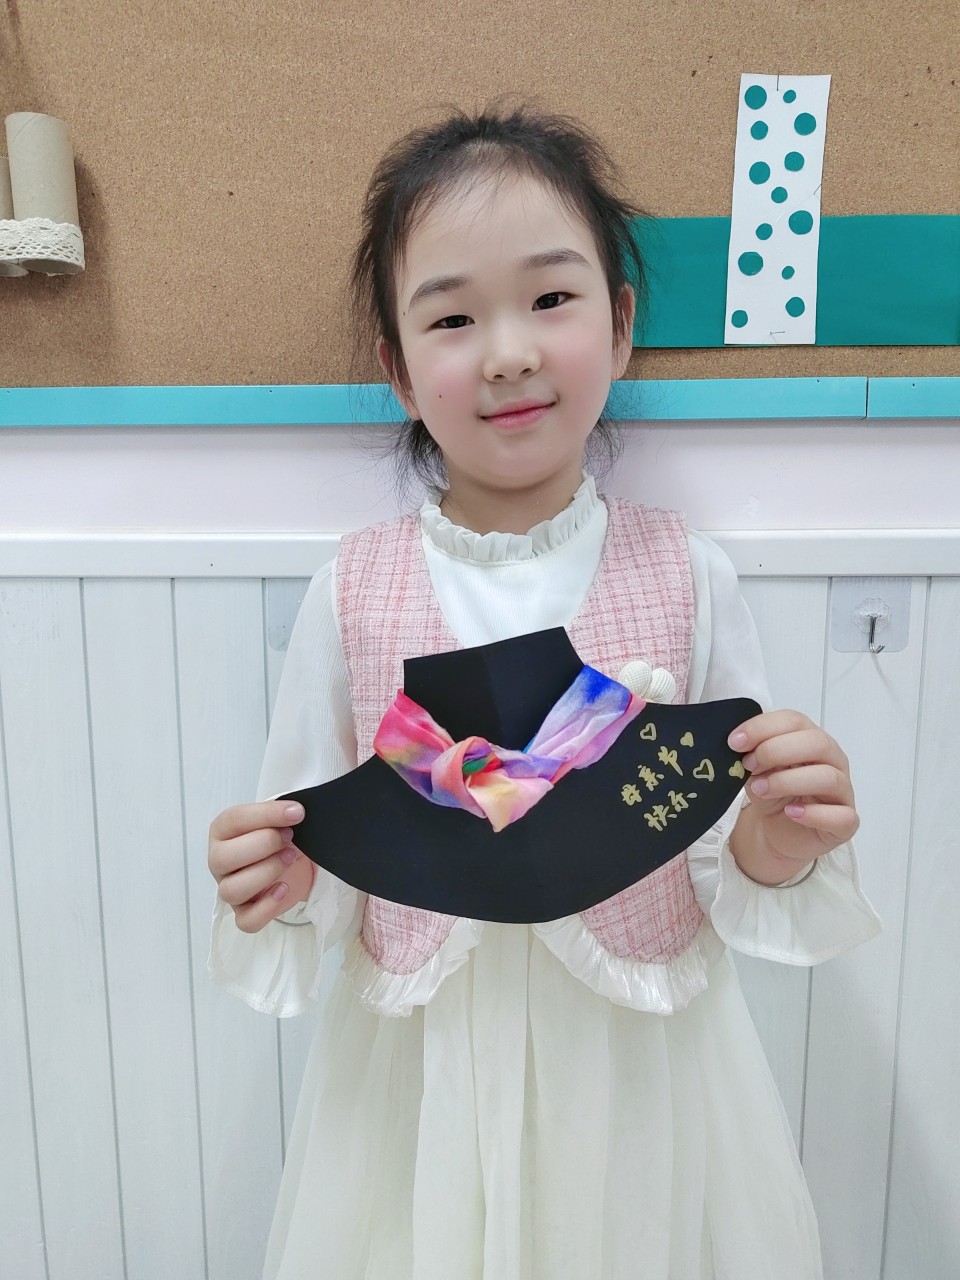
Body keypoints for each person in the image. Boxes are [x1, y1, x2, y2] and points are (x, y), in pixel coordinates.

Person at [207, 102, 882, 1280]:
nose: (508, 350)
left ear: (620, 326)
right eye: (453, 316)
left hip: (641, 1083)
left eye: (551, 298)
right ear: (397, 368)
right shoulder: (349, 593)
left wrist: (780, 841)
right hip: (421, 1096)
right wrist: (281, 878)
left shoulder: (690, 575)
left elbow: (732, 859)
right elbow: (308, 850)